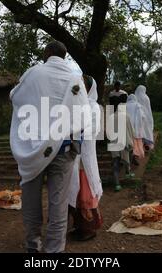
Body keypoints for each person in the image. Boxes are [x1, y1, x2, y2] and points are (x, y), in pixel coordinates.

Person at [10, 40, 89, 253]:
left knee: (31, 199)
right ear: (64, 56)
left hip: (34, 149)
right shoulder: (75, 79)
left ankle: (33, 246)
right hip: (64, 148)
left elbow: (14, 96)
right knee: (58, 204)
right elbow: (84, 115)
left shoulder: (34, 73)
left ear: (47, 53)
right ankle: (54, 252)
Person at [68, 75, 103, 241]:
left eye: (82, 84)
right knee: (75, 191)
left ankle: (88, 229)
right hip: (75, 154)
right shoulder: (78, 106)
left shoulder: (94, 107)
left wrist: (76, 131)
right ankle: (79, 227)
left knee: (84, 192)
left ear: (89, 88)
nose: (79, 86)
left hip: (85, 156)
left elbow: (92, 130)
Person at [108, 93, 135, 192]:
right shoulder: (126, 117)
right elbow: (131, 131)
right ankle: (128, 172)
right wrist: (131, 139)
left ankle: (117, 184)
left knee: (115, 164)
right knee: (128, 157)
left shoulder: (111, 117)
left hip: (114, 143)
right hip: (124, 142)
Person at [126, 94, 147, 162]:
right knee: (137, 142)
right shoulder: (137, 105)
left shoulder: (125, 105)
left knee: (129, 141)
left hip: (127, 126)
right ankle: (135, 155)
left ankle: (128, 156)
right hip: (136, 126)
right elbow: (142, 116)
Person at [134, 85, 154, 150]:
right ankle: (146, 144)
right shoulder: (146, 97)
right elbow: (149, 108)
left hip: (138, 115)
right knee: (146, 129)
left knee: (139, 129)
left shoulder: (135, 96)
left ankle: (140, 144)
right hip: (146, 115)